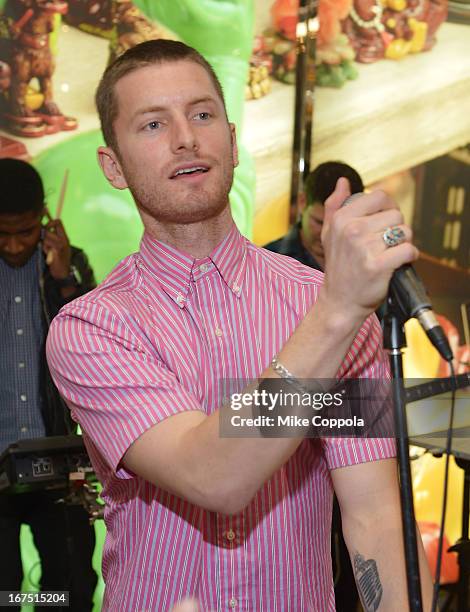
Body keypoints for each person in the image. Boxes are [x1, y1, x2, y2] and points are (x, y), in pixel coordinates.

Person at [46, 40, 433, 611]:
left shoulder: (317, 304)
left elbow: (374, 515)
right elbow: (213, 475)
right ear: (113, 165)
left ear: (230, 139)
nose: (185, 137)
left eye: (202, 114)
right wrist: (337, 312)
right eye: (153, 124)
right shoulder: (92, 328)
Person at [265, 161, 365, 611]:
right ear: (302, 206)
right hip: (280, 450)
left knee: (349, 569)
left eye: (337, 225)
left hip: (354, 443)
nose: (327, 237)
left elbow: (375, 376)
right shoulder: (266, 266)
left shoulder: (369, 272)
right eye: (320, 223)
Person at [0, 159, 97, 611]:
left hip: (56, 463)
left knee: (68, 588)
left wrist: (63, 282)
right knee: (4, 591)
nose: (15, 244)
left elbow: (93, 350)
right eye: (2, 233)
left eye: (25, 231)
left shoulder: (68, 264)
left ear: (43, 215)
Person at [265, 161, 364, 272]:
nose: (325, 234)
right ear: (302, 202)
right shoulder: (266, 260)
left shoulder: (369, 258)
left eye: (337, 225)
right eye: (319, 222)